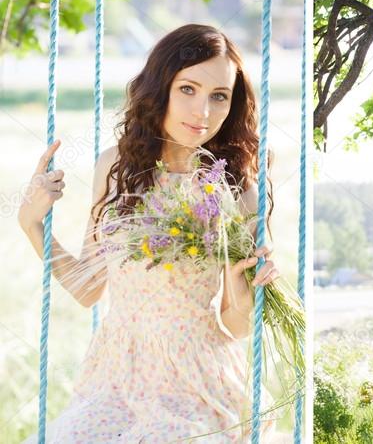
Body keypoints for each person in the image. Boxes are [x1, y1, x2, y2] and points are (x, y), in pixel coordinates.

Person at [18, 24, 280, 441]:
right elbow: (88, 290)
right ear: (161, 88)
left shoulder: (235, 186)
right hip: (118, 377)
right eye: (188, 89)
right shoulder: (115, 169)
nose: (203, 113)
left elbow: (238, 324)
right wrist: (31, 225)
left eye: (219, 97)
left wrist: (241, 286)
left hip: (198, 378)